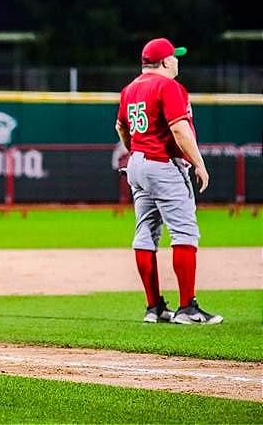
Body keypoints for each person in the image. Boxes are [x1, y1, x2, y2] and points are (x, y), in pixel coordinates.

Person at [115, 38, 222, 325]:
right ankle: (188, 308)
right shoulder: (168, 86)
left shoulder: (130, 89)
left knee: (145, 234)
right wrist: (199, 163)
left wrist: (135, 151)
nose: (177, 61)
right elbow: (179, 129)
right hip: (163, 163)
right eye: (174, 57)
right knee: (185, 232)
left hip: (137, 162)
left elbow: (121, 127)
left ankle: (155, 308)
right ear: (164, 62)